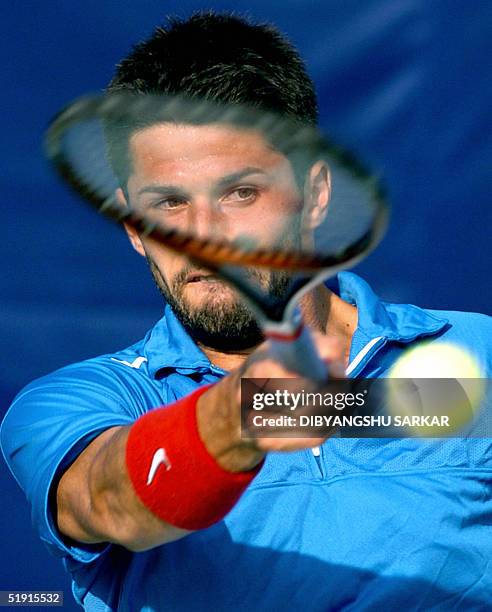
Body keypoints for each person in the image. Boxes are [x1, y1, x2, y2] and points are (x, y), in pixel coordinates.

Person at [2, 12, 492, 611]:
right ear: (134, 225)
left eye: (241, 193)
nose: (204, 236)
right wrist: (241, 416)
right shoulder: (74, 402)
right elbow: (106, 499)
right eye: (169, 204)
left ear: (315, 196)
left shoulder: (479, 354)